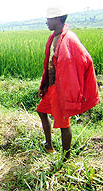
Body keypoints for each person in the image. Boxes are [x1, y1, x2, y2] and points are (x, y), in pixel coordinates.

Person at [37, 6, 100, 161]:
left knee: (64, 122)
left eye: (49, 19)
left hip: (62, 88)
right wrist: (45, 84)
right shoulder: (53, 37)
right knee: (41, 110)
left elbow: (85, 59)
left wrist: (72, 85)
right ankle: (49, 144)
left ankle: (66, 158)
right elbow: (50, 63)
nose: (46, 22)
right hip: (53, 86)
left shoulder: (70, 39)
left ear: (58, 19)